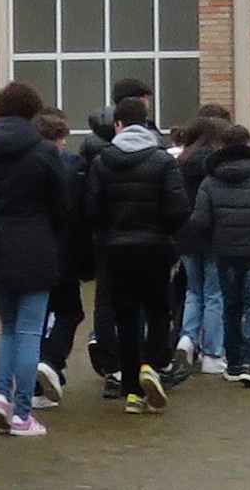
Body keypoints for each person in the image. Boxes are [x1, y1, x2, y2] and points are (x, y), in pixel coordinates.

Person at [0, 82, 78, 441]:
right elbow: (63, 202)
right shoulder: (45, 151)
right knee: (30, 331)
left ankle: (1, 396)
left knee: (9, 329)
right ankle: (23, 412)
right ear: (33, 109)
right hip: (36, 247)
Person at [80, 79, 187, 410]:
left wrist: (106, 235)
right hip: (155, 248)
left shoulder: (102, 161)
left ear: (118, 124)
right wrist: (166, 234)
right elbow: (178, 208)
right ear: (146, 123)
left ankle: (131, 391)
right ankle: (151, 367)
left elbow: (91, 209)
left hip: (115, 250)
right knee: (158, 310)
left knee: (124, 316)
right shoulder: (163, 160)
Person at [184, 119, 250, 383]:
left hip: (223, 253)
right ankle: (249, 362)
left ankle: (230, 363)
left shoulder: (209, 183)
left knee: (230, 306)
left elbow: (200, 222)